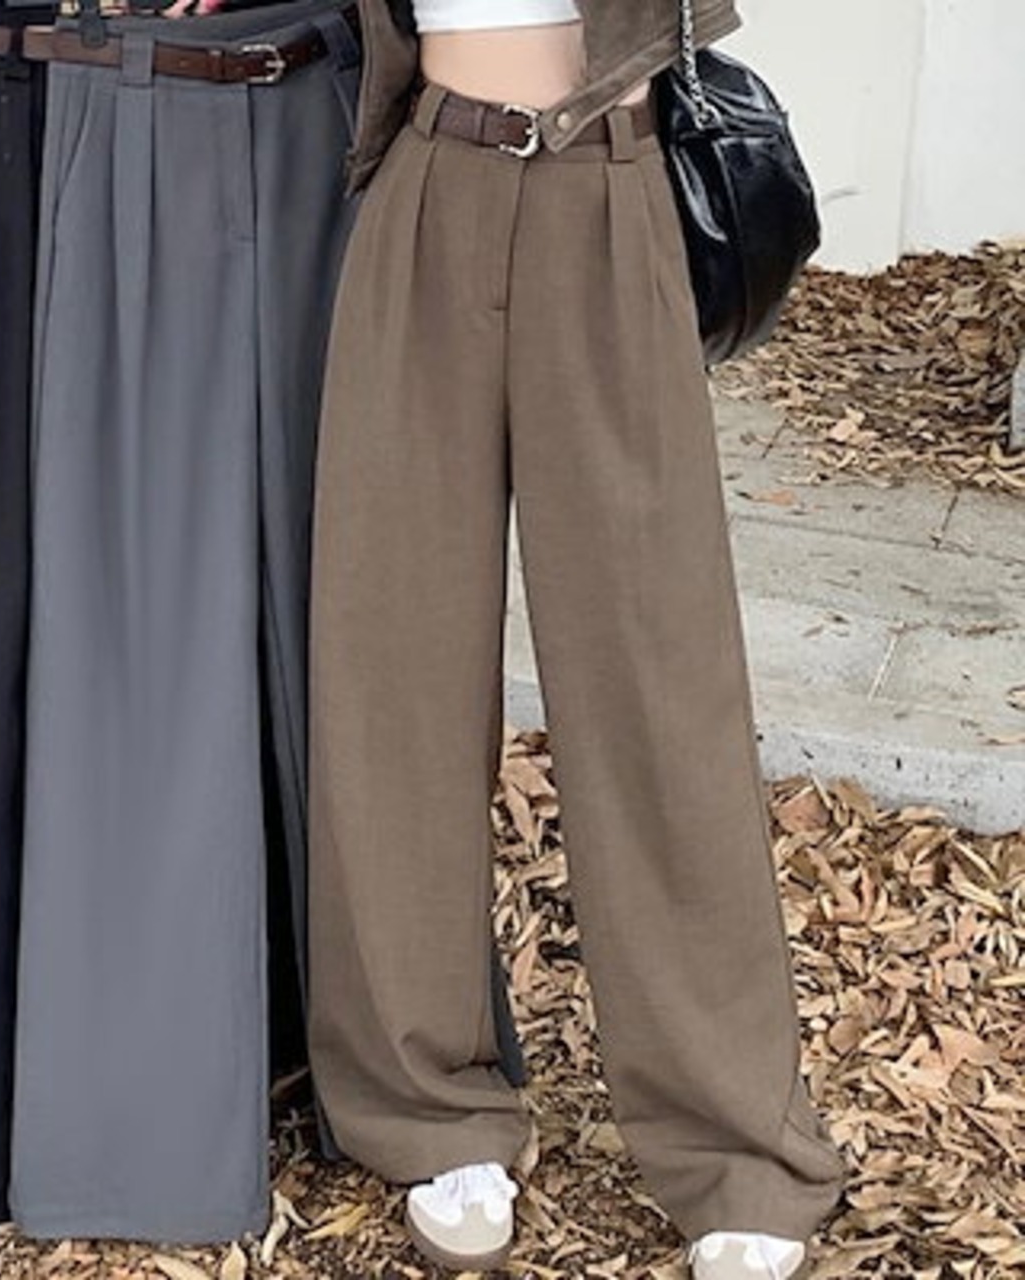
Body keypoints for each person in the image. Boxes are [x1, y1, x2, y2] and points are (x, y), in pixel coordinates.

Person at [303, 0, 848, 1277]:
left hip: (608, 182)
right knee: (392, 665)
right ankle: (429, 1108)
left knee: (657, 678)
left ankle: (732, 1142)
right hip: (426, 176)